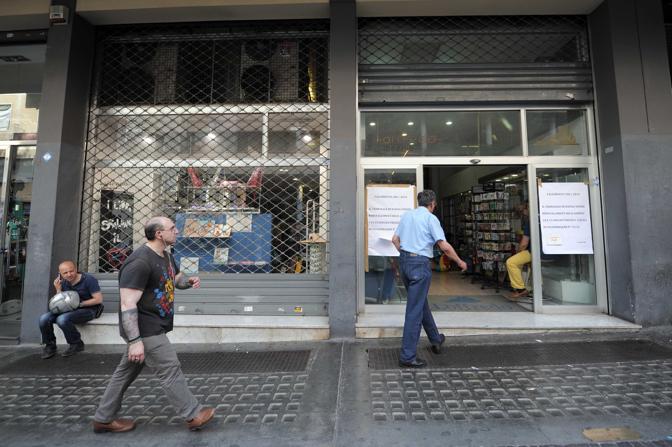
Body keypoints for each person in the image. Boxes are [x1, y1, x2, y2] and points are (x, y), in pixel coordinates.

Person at [93, 216, 215, 434]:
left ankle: (103, 418)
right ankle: (193, 414)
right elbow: (127, 303)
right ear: (159, 234)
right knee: (169, 368)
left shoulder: (166, 256)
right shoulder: (139, 262)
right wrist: (134, 341)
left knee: (125, 372)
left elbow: (175, 278)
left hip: (154, 325)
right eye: (172, 228)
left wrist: (187, 282)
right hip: (145, 328)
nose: (177, 231)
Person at [392, 190, 467, 368]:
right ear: (432, 204)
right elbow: (444, 246)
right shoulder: (431, 219)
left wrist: (406, 256)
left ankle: (435, 339)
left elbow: (395, 240)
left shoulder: (407, 215)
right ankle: (407, 356)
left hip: (405, 261)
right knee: (414, 312)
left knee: (420, 304)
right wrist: (459, 261)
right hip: (419, 264)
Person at [39, 260, 103, 359]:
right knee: (44, 318)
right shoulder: (63, 282)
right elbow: (59, 302)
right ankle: (50, 345)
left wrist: (78, 304)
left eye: (71, 271)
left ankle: (76, 344)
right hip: (69, 308)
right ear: (60, 274)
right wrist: (58, 289)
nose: (69, 274)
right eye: (65, 273)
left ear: (76, 269)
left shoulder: (89, 280)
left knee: (62, 319)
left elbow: (98, 299)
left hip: (89, 309)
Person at [506, 202, 531, 299]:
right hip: (548, 253)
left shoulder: (530, 222)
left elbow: (524, 244)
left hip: (533, 252)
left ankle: (521, 289)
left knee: (511, 262)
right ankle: (534, 287)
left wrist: (518, 252)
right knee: (530, 264)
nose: (524, 212)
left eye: (525, 209)